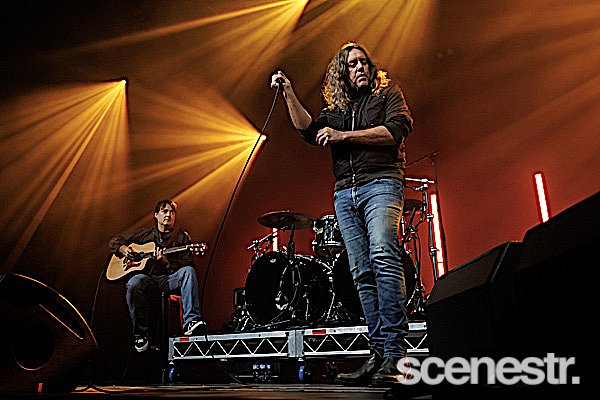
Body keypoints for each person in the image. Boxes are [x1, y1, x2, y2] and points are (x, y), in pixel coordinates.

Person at [271, 42, 414, 385]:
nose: (360, 67)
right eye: (352, 64)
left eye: (363, 62)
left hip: (381, 183)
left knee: (383, 255)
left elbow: (395, 131)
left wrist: (344, 135)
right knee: (361, 272)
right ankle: (378, 352)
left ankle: (396, 353)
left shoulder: (387, 94)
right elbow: (308, 131)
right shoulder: (336, 108)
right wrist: (288, 91)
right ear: (342, 72)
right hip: (344, 193)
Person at [108, 199, 206, 352]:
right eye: (164, 211)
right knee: (134, 283)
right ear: (156, 215)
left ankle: (191, 322)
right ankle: (140, 335)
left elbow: (188, 262)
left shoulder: (181, 237)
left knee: (188, 271)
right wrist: (124, 249)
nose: (168, 215)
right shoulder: (145, 234)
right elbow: (114, 241)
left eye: (172, 212)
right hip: (148, 280)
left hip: (169, 279)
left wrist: (166, 262)